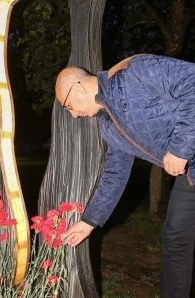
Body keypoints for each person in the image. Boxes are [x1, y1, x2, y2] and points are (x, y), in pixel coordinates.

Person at [56, 54, 195, 298]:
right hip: (191, 175)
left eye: (68, 106)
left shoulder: (137, 72)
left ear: (77, 87)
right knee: (176, 237)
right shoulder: (109, 127)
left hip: (189, 157)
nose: (73, 115)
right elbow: (114, 174)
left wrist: (180, 148)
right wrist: (89, 221)